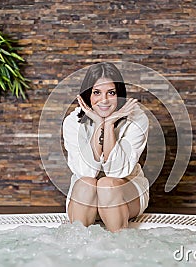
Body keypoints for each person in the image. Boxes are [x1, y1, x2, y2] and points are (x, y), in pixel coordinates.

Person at [62, 62, 149, 232]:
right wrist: (98, 124)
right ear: (88, 94)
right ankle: (76, 253)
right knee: (88, 184)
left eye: (111, 93)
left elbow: (117, 172)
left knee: (106, 185)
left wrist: (109, 125)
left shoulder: (137, 119)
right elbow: (86, 172)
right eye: (97, 93)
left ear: (119, 94)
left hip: (126, 191)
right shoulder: (73, 122)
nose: (104, 100)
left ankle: (119, 250)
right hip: (85, 197)